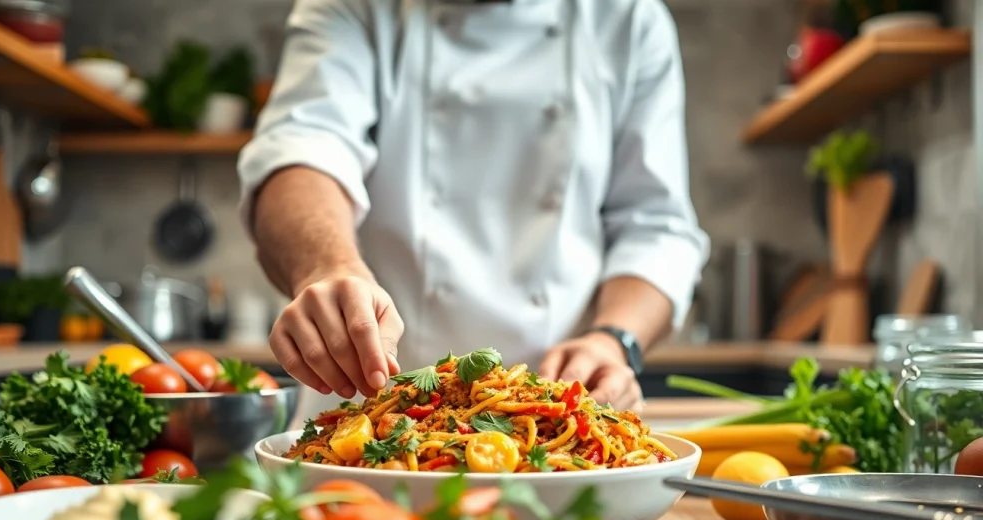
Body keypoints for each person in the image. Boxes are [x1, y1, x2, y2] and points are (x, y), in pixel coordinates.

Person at [238, 0, 709, 416]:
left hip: (557, 411)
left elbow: (656, 226)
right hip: (369, 412)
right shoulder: (351, 6)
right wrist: (327, 268)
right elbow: (301, 153)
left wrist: (613, 341)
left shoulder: (628, 17)